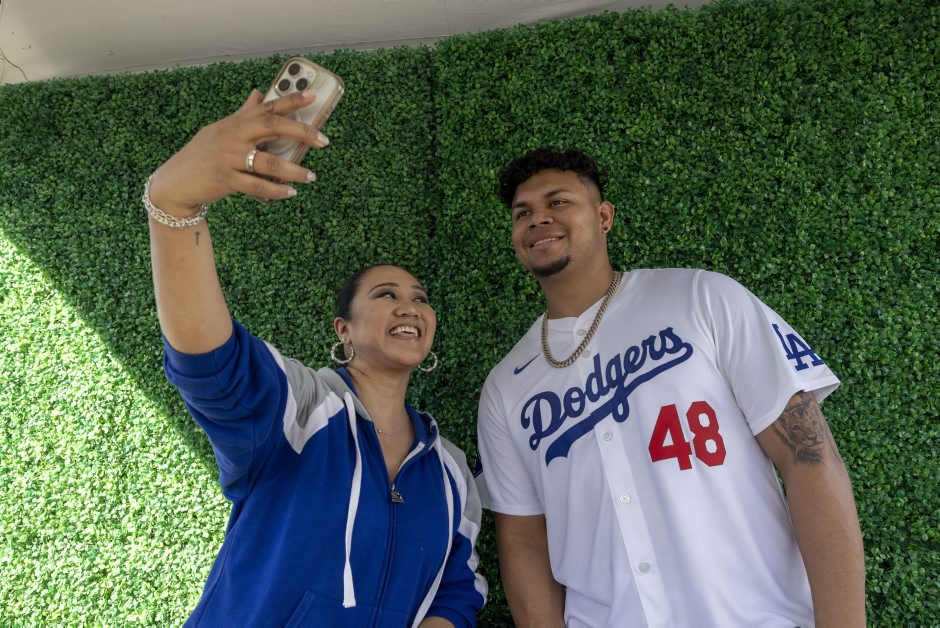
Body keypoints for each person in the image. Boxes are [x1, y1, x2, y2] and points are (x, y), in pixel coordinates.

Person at [475, 147, 865, 627]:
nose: (538, 219)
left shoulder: (703, 298)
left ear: (603, 217)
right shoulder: (505, 386)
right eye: (523, 213)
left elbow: (809, 457)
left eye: (558, 202)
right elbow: (524, 537)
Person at [146, 88, 487, 627]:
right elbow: (214, 368)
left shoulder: (450, 469)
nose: (410, 306)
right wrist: (174, 205)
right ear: (343, 330)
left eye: (421, 299)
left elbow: (458, 588)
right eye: (386, 295)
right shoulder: (302, 409)